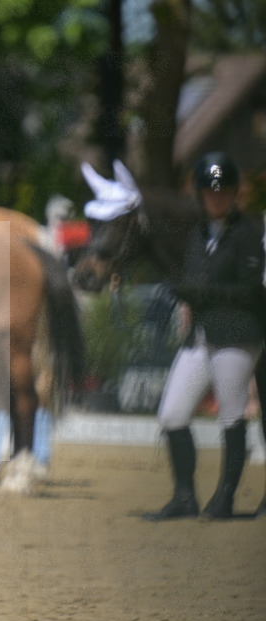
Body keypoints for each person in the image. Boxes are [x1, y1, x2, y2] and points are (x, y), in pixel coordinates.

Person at [146, 152, 265, 520]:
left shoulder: (249, 234)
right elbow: (191, 280)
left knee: (230, 416)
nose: (217, 198)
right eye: (210, 192)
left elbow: (250, 291)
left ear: (233, 194)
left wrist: (201, 292)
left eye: (224, 192)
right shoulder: (197, 235)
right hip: (199, 336)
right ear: (200, 194)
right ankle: (185, 496)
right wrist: (175, 291)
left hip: (236, 334)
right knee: (172, 414)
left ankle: (225, 497)